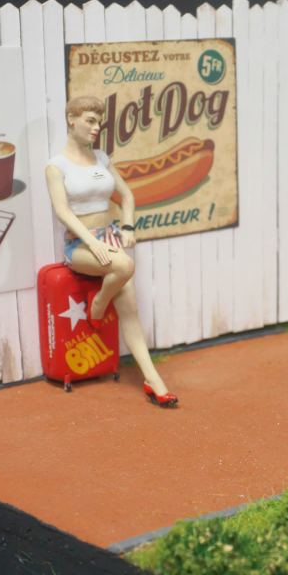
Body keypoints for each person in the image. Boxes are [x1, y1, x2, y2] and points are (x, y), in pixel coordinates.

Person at [45, 95, 177, 407]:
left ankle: (153, 381)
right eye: (90, 121)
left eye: (99, 122)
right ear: (71, 120)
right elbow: (62, 211)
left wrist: (128, 227)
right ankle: (99, 304)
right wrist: (92, 243)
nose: (96, 128)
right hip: (80, 245)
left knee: (130, 310)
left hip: (110, 239)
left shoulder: (102, 159)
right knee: (125, 267)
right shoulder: (56, 166)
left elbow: (127, 196)